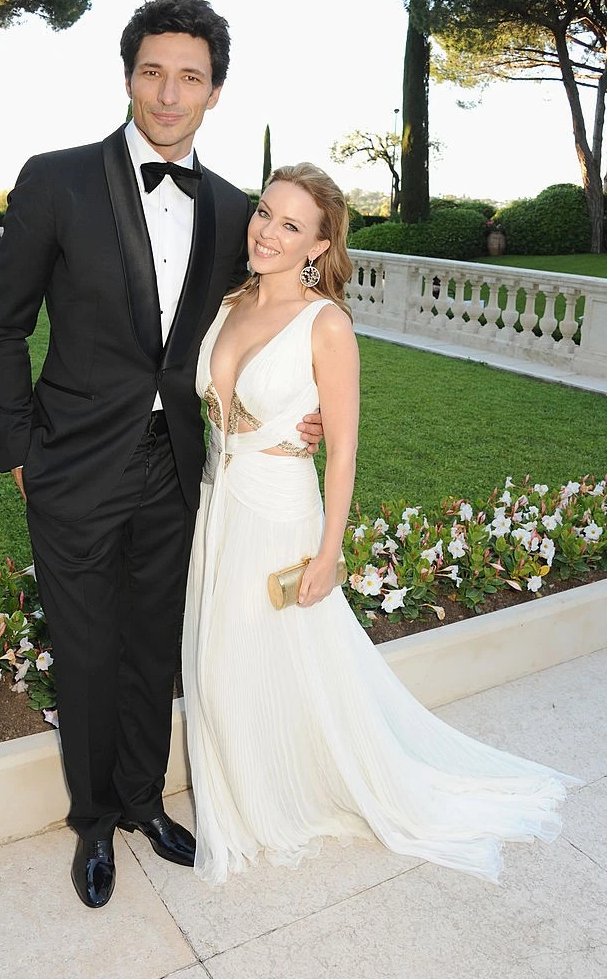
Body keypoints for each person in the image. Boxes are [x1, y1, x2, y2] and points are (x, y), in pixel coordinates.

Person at [0, 0, 323, 909]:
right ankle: (94, 822)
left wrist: (305, 409)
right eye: (153, 73)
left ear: (215, 91)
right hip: (69, 463)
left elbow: (275, 320)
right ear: (129, 77)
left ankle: (142, 801)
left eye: (190, 78)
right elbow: (3, 327)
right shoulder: (56, 180)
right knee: (86, 651)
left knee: (150, 646)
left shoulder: (236, 209)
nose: (169, 94)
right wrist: (19, 448)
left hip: (179, 467)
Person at [182, 162, 580, 886]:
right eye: (265, 212)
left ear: (319, 245)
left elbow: (343, 447)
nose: (267, 232)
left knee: (261, 655)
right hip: (219, 504)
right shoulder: (229, 301)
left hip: (280, 509)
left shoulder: (326, 324)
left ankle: (275, 801)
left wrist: (328, 552)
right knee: (221, 660)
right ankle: (246, 789)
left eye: (291, 225)